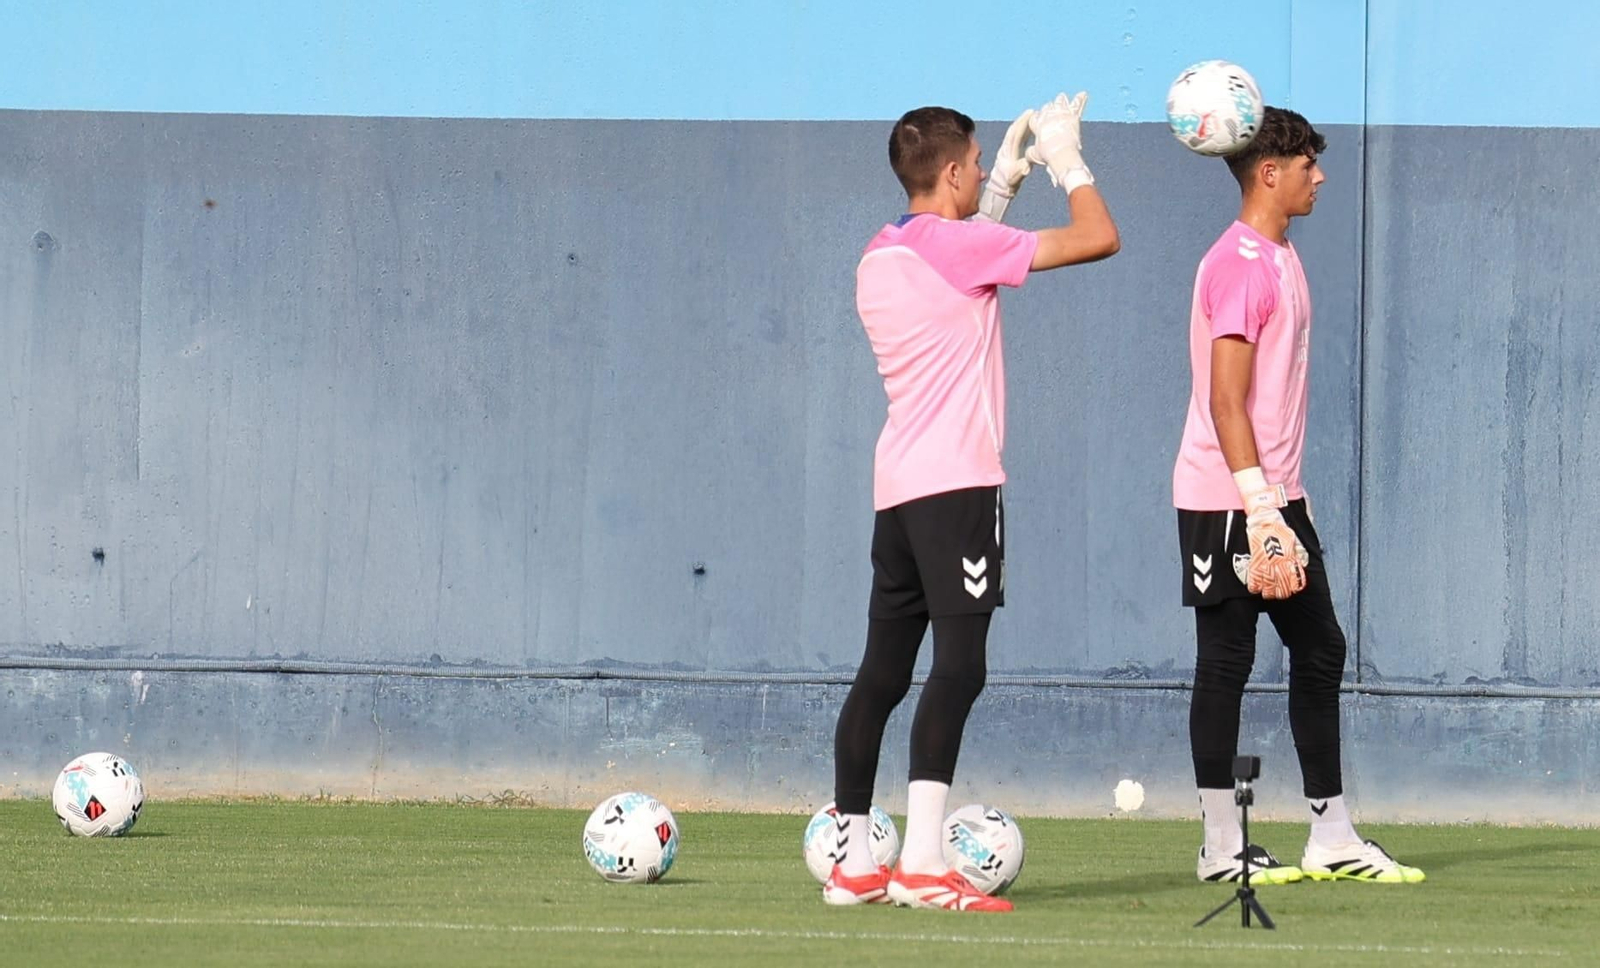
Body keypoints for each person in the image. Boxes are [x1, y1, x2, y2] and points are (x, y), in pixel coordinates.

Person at [824, 93, 1120, 912]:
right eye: (981, 162)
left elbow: (960, 260)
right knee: (960, 669)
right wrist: (1066, 160)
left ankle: (853, 867)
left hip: (899, 491)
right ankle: (921, 863)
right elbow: (1099, 236)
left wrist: (1003, 193)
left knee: (881, 674)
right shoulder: (959, 248)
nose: (989, 168)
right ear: (951, 170)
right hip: (959, 485)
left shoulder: (882, 253)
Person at [1173, 106, 1425, 885]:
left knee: (1320, 650)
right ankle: (1221, 850)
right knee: (1227, 661)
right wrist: (1257, 509)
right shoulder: (1241, 263)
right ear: (1268, 172)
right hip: (1231, 499)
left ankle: (1333, 836)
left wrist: (1280, 505)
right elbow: (1224, 402)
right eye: (1308, 162)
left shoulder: (1278, 254)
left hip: (1278, 495)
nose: (1320, 174)